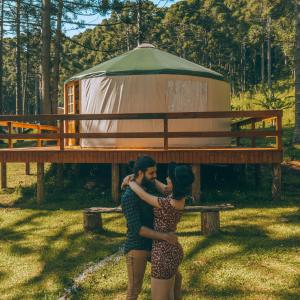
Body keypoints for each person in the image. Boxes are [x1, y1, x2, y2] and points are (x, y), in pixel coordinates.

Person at [123, 160, 194, 300]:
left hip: (163, 253)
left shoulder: (167, 203)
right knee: (172, 291)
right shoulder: (178, 197)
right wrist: (135, 175)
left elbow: (143, 195)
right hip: (170, 250)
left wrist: (130, 182)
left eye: (169, 178)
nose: (164, 178)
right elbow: (160, 186)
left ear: (174, 183)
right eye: (152, 173)